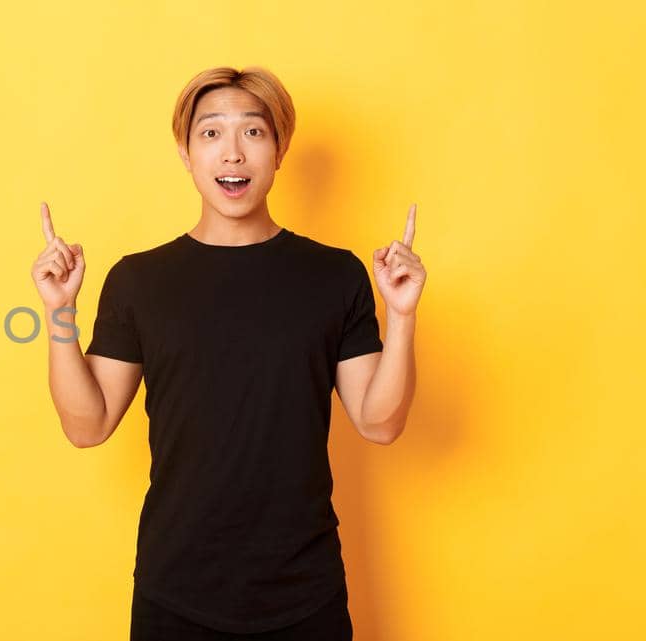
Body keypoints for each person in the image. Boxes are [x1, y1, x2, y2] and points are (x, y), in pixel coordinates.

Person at [31, 66, 425, 640]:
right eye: (211, 134)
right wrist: (58, 312)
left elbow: (380, 422)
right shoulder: (140, 281)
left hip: (304, 590)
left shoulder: (335, 275)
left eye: (253, 133)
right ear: (186, 155)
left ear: (279, 150)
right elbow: (86, 426)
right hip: (177, 589)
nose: (233, 154)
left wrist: (403, 315)